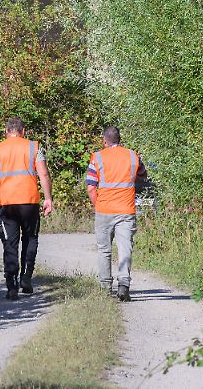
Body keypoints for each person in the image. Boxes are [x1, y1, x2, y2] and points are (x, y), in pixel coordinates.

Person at [0, 117, 54, 301]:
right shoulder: (33, 147)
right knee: (31, 238)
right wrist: (48, 198)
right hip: (29, 201)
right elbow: (44, 174)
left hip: (7, 203)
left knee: (10, 243)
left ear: (6, 131)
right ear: (23, 131)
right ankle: (26, 278)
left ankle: (12, 286)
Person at [86, 126, 148, 302]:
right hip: (126, 210)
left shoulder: (97, 157)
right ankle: (124, 286)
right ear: (119, 139)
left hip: (104, 210)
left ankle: (105, 287)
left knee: (104, 250)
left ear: (104, 141)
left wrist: (99, 206)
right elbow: (143, 175)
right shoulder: (132, 156)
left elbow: (91, 187)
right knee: (125, 248)